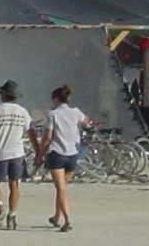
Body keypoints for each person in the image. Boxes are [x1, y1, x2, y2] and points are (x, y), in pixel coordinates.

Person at [36, 85, 91, 233]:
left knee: (61, 189)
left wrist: (40, 155)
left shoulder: (53, 114)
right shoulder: (76, 112)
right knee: (62, 189)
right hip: (72, 154)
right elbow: (88, 122)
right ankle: (56, 216)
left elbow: (47, 137)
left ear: (55, 99)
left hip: (57, 154)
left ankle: (67, 220)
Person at [0, 80, 36, 230]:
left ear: (4, 95)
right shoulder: (23, 112)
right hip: (17, 152)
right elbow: (31, 132)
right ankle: (12, 216)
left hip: (0, 151)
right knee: (14, 185)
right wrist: (38, 149)